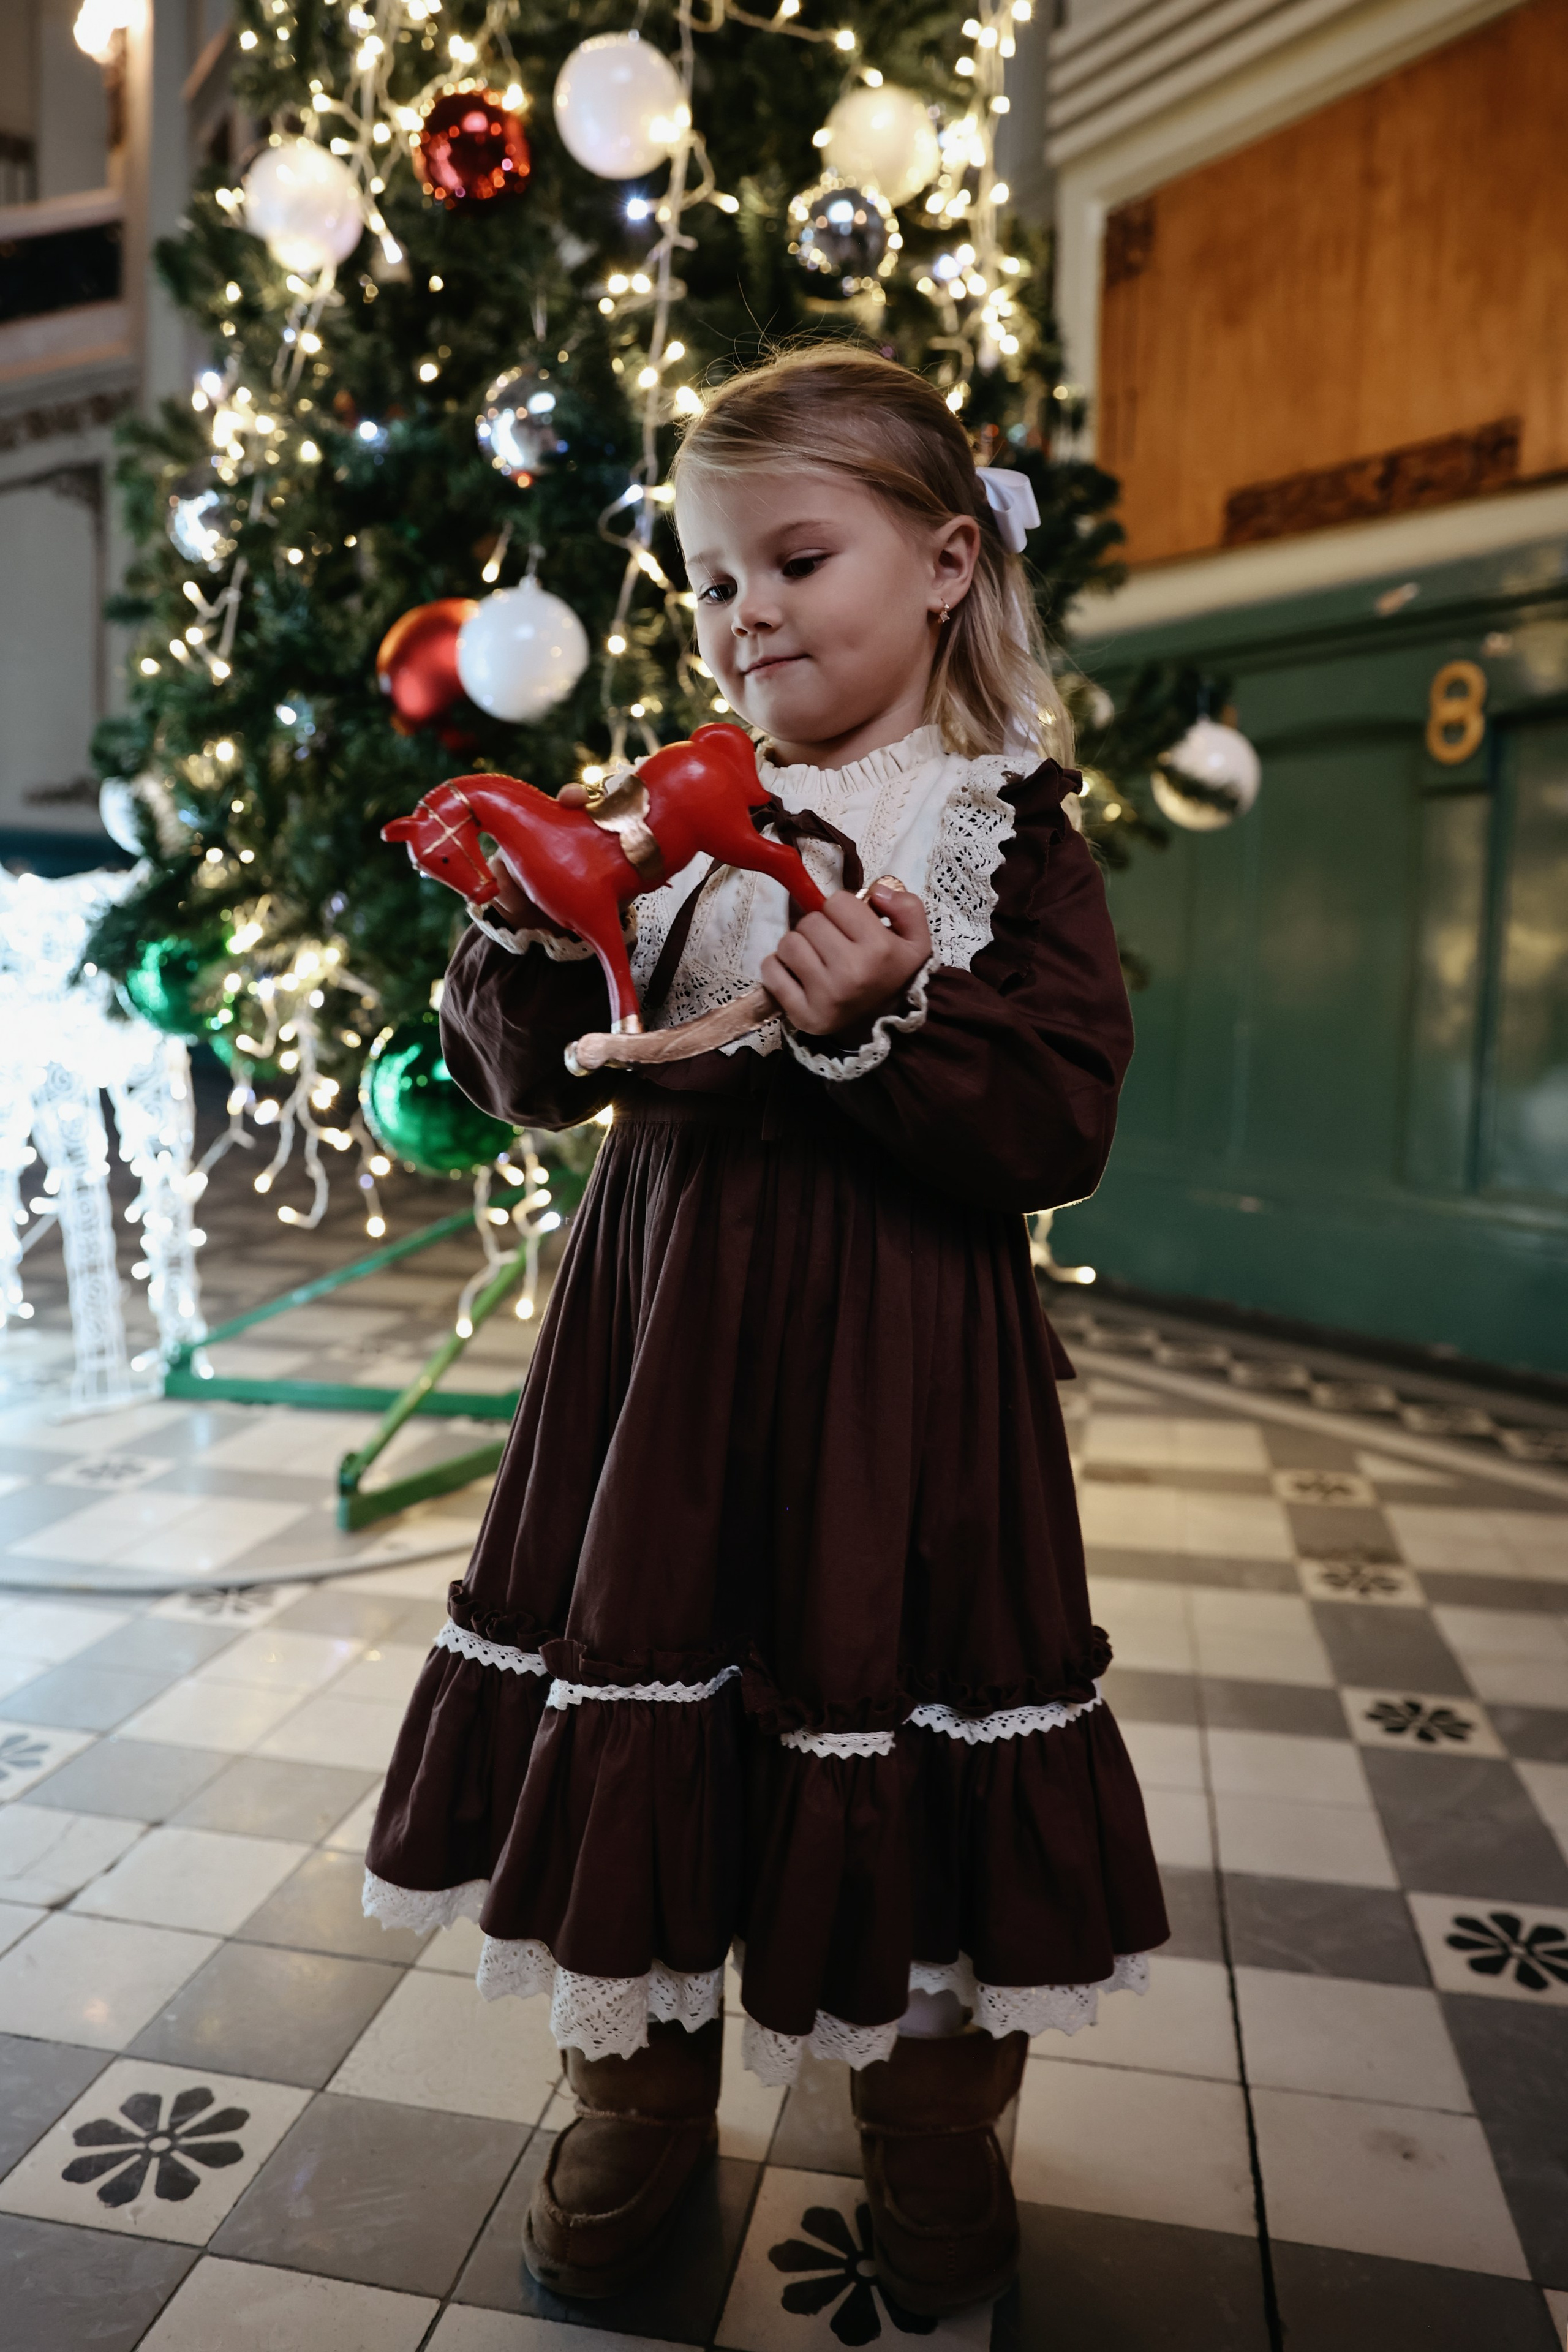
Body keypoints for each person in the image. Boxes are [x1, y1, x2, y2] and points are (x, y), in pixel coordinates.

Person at [364, 343, 1167, 2315]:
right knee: (649, 1686)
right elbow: (538, 1080)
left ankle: (931, 2123)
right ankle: (634, 2108)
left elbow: (1062, 1116)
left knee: (901, 1691)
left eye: (797, 559)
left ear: (952, 563)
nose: (748, 614)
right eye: (716, 580)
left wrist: (899, 1017)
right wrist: (534, 948)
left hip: (911, 1371)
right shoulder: (656, 808)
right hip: (666, 1350)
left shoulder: (1002, 826)